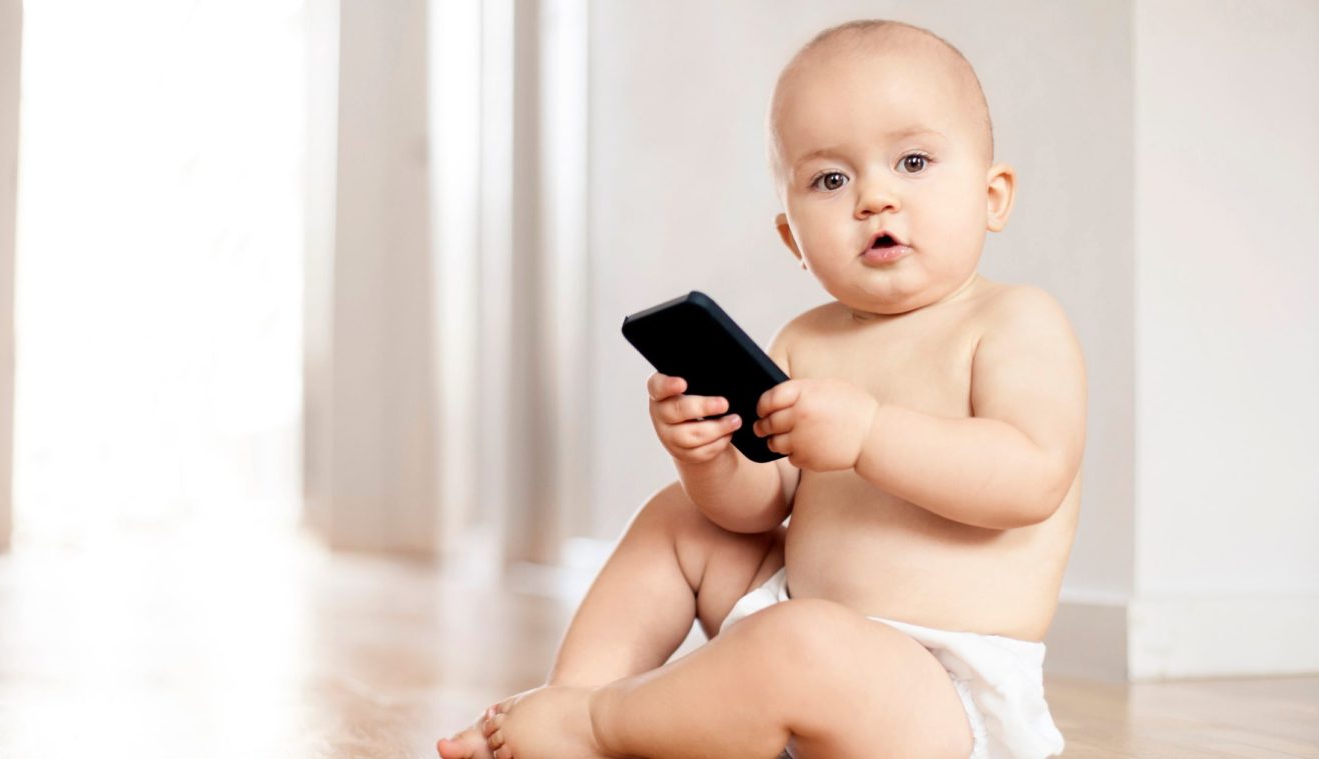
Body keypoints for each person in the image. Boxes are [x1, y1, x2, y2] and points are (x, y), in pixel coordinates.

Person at [437, 17, 1084, 759]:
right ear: (793, 240)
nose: (874, 197)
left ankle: (596, 727)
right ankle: (572, 697)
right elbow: (763, 507)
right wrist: (711, 460)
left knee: (801, 640)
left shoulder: (1012, 322)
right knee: (682, 519)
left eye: (912, 160)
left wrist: (870, 434)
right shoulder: (806, 339)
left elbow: (1030, 477)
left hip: (940, 699)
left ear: (993, 194)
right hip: (793, 628)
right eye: (831, 179)